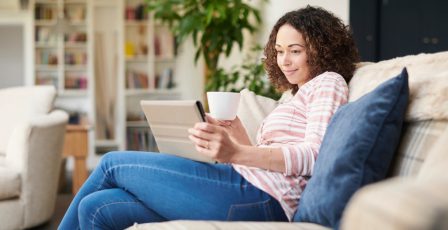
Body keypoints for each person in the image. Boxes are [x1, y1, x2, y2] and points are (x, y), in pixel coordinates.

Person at [59, 6, 359, 229]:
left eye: (295, 50)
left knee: (111, 162)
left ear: (322, 49)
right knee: (96, 207)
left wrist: (238, 151)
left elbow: (316, 156)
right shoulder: (295, 95)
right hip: (250, 187)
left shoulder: (327, 82)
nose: (284, 61)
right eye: (279, 51)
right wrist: (238, 135)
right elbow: (269, 156)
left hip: (265, 198)